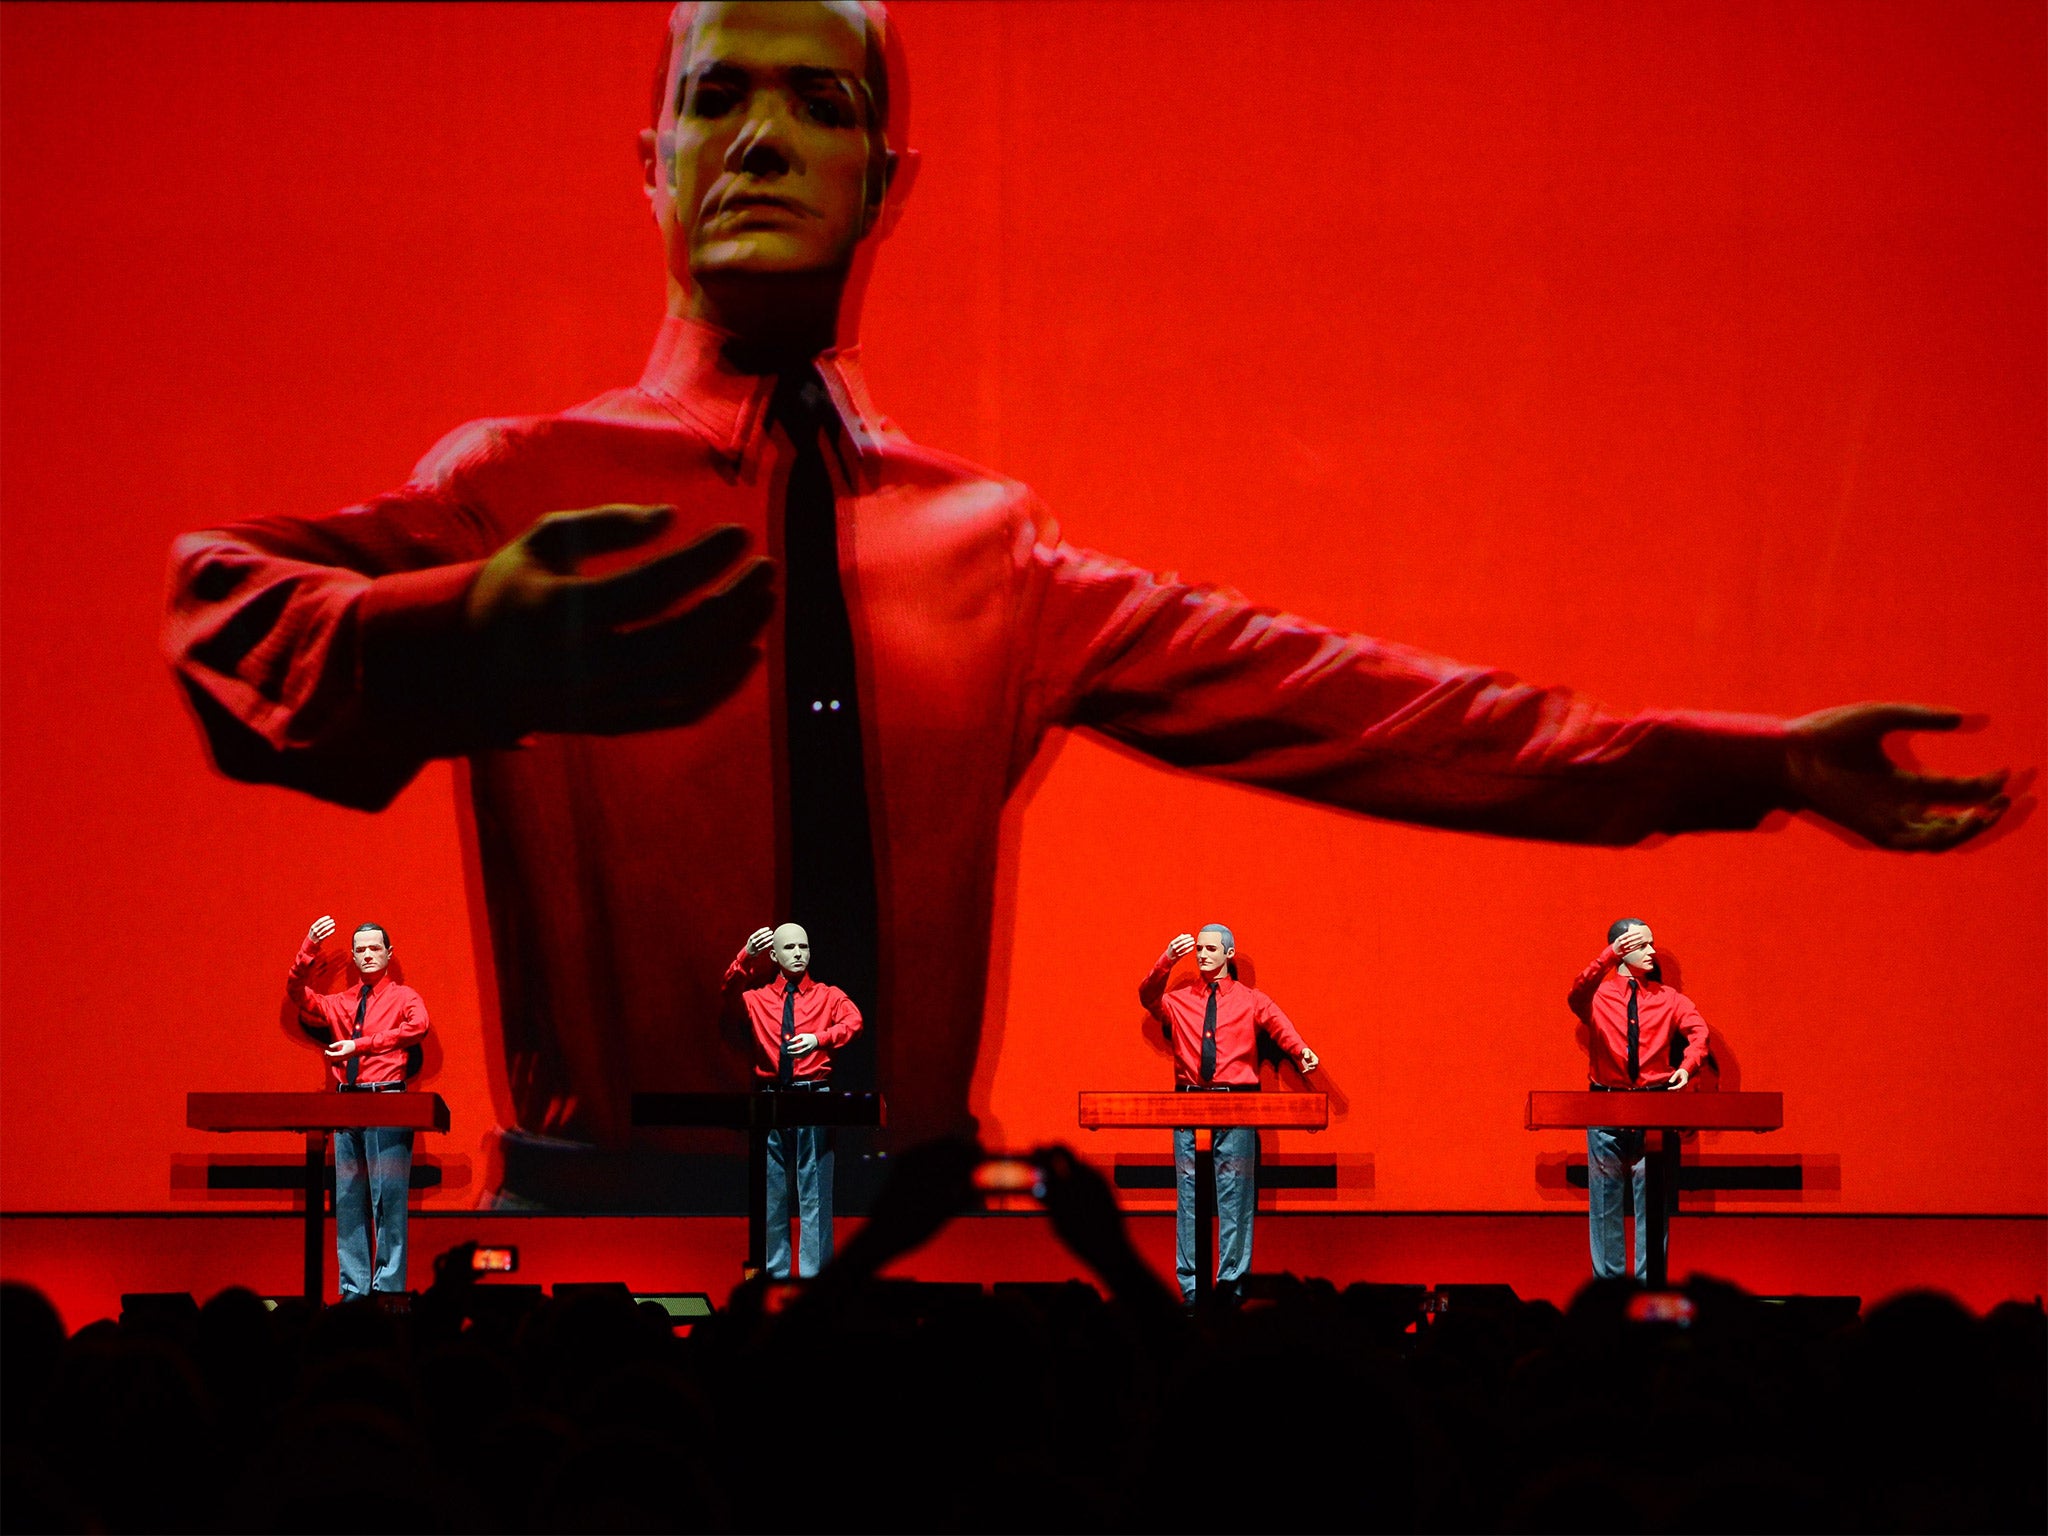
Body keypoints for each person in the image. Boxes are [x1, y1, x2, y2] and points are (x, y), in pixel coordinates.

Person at [162, 1, 2009, 1208]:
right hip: (597, 1225)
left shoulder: (985, 548)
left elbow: (1373, 712)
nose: (762, 140)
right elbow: (226, 612)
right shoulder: (520, 485)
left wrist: (1742, 761)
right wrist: (453, 638)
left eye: (819, 106)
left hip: (907, 1227)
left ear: (880, 181)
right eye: (715, 96)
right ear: (647, 167)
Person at [1139, 926, 1320, 1304]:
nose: (1202, 955)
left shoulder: (1252, 1001)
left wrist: (1302, 1052)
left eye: (1210, 949)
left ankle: (1231, 1290)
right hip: (1188, 1104)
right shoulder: (1179, 1000)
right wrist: (1167, 960)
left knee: (1235, 1199)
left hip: (1237, 1106)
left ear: (1229, 953)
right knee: (1188, 1198)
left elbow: (1279, 1027)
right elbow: (1147, 996)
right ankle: (1191, 1291)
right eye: (1199, 950)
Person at [287, 916, 431, 1298]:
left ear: (388, 954)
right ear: (352, 956)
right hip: (346, 1102)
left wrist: (362, 1045)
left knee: (389, 1200)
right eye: (361, 950)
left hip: (387, 1099)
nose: (368, 955)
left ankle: (387, 1292)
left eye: (375, 949)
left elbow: (419, 1027)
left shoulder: (404, 996)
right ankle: (354, 1293)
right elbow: (297, 994)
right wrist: (308, 950)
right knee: (349, 1201)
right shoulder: (341, 1002)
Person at [1566, 918, 1708, 1281]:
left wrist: (1688, 1066)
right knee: (1604, 1207)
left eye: (1651, 944)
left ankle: (1650, 1291)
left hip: (1654, 1111)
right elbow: (1576, 994)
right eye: (1642, 945)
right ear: (1623, 949)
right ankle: (1608, 1296)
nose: (1651, 952)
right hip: (1606, 1109)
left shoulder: (1669, 999)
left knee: (1653, 1207)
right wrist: (1606, 958)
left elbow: (1698, 1032)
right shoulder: (1598, 997)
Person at [722, 922, 862, 1276]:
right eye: (789, 948)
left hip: (814, 1097)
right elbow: (728, 995)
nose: (798, 954)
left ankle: (814, 1285)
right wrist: (744, 957)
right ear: (773, 955)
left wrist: (820, 1039)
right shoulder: (757, 999)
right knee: (773, 1196)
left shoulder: (828, 995)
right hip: (771, 1100)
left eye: (804, 947)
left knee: (814, 1195)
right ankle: (775, 1279)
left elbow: (854, 1021)